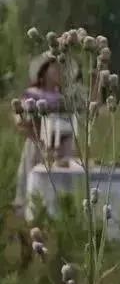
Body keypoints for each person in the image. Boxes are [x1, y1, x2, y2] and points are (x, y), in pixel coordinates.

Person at [14, 53, 75, 210]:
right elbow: (21, 120)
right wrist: (38, 138)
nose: (58, 71)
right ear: (44, 70)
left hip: (60, 149)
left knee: (57, 188)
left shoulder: (62, 97)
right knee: (32, 186)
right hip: (37, 146)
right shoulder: (32, 94)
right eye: (54, 67)